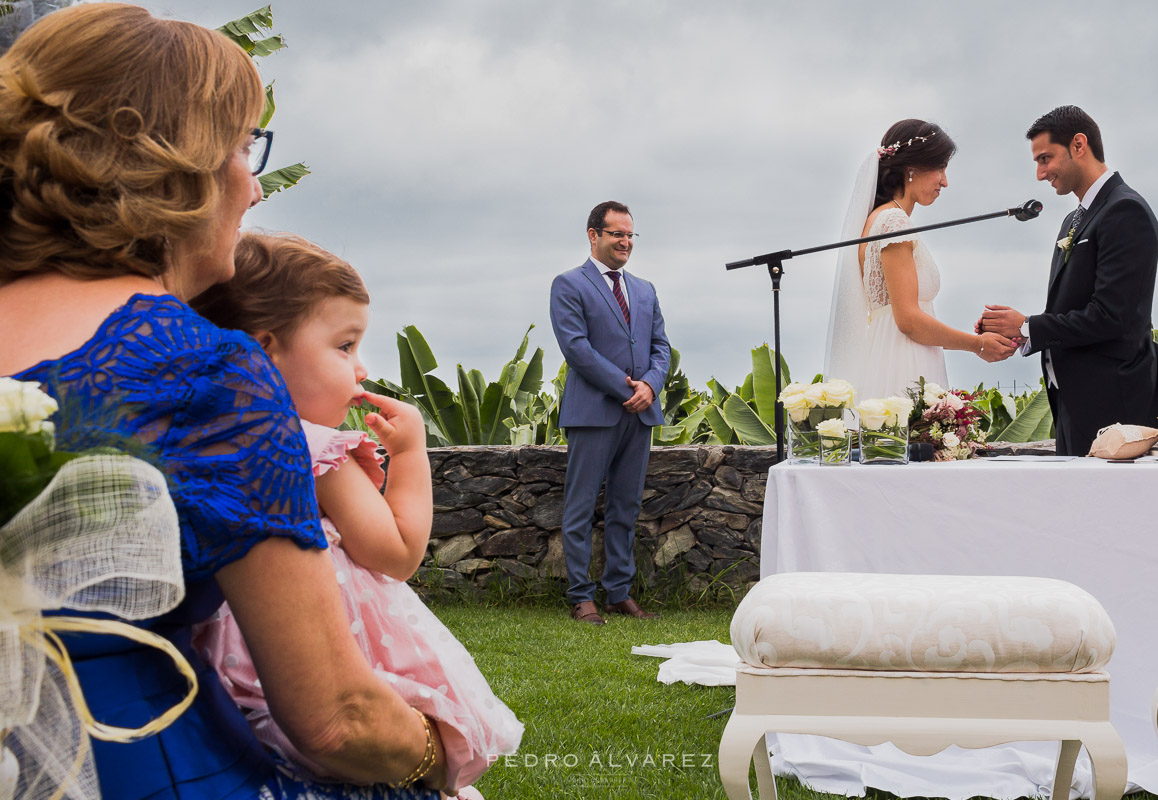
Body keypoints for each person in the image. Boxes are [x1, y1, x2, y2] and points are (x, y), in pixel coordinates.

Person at [0, 5, 446, 798]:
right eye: (245, 147)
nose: (255, 182)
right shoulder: (202, 370)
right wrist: (434, 758)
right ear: (178, 167)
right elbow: (337, 718)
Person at [191, 232, 523, 799]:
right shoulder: (312, 450)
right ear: (265, 351)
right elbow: (396, 553)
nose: (361, 368)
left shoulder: (206, 439)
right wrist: (411, 453)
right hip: (334, 676)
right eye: (344, 346)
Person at [979, 106, 1158, 455]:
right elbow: (1073, 308)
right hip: (1072, 403)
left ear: (1079, 145)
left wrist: (1030, 326)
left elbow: (1113, 317)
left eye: (1045, 158)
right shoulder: (1072, 220)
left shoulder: (1126, 211)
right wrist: (1020, 331)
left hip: (1115, 406)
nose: (1040, 173)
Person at [825, 119, 1016, 401]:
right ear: (911, 169)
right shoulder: (893, 222)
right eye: (940, 168)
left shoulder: (877, 219)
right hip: (903, 361)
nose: (945, 181)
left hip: (890, 353)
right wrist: (977, 344)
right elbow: (909, 320)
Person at [550, 201, 670, 625]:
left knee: (626, 506)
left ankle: (619, 591)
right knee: (580, 507)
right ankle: (581, 596)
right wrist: (628, 388)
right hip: (593, 413)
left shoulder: (645, 289)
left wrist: (651, 385)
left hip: (640, 413)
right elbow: (576, 348)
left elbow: (661, 347)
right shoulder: (568, 285)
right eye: (617, 233)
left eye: (630, 234)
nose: (625, 242)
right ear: (593, 235)